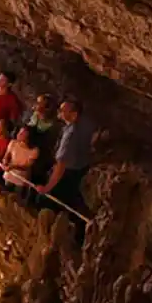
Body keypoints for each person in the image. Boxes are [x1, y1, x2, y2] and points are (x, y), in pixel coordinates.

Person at [36, 100, 95, 240]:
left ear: (74, 115)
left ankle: (54, 236)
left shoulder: (71, 135)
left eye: (63, 111)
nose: (60, 113)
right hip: (81, 168)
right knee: (74, 202)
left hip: (68, 174)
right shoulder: (86, 124)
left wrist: (47, 188)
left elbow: (61, 164)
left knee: (48, 202)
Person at [2, 126, 39, 192]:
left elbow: (26, 167)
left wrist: (13, 166)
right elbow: (6, 156)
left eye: (21, 134)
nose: (18, 134)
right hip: (9, 174)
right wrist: (5, 161)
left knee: (17, 198)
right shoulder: (13, 142)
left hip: (21, 178)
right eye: (19, 132)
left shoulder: (34, 150)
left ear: (28, 137)